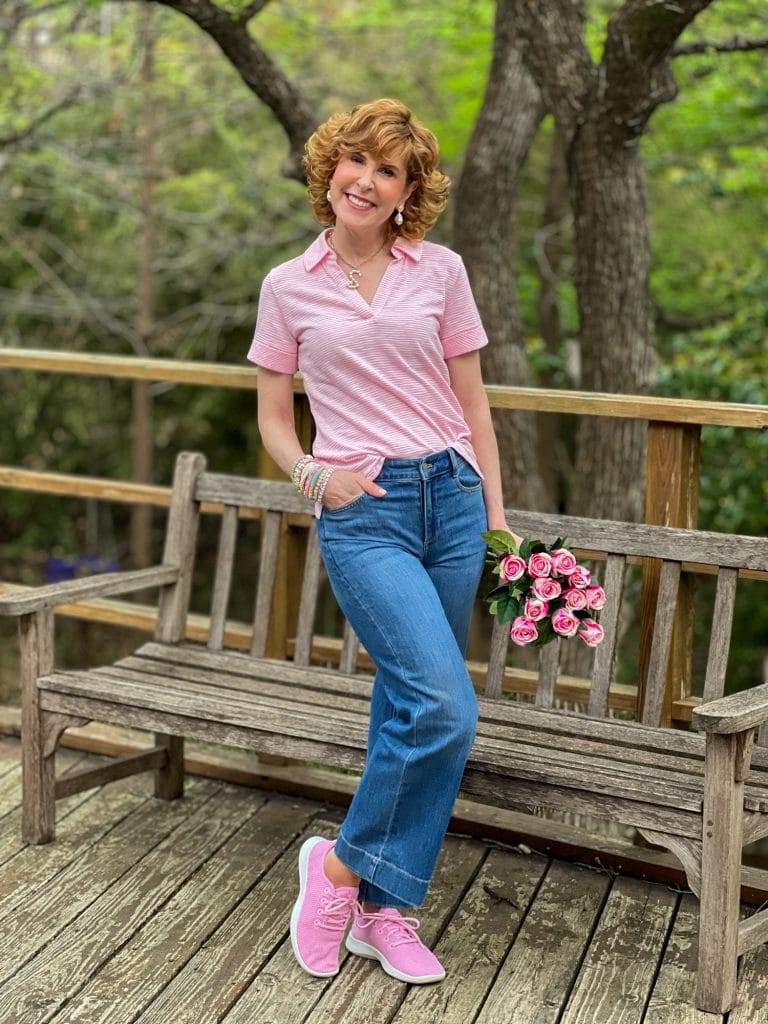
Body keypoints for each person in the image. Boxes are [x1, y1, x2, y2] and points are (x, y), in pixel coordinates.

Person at [247, 97, 522, 985]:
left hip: (450, 496)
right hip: (363, 511)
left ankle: (382, 907)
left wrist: (497, 517)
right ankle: (332, 871)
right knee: (446, 706)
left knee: (411, 710)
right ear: (330, 170)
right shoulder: (289, 286)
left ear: (408, 190)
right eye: (354, 161)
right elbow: (274, 420)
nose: (366, 180)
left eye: (388, 170)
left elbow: (473, 403)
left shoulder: (439, 270)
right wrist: (313, 478)